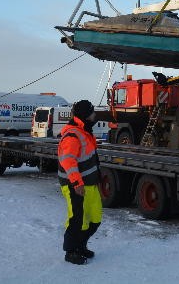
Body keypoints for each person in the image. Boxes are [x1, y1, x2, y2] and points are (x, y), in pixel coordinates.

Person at [58, 100, 102, 265]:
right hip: (74, 185)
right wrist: (77, 184)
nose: (94, 115)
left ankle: (81, 246)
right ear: (85, 115)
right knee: (77, 220)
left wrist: (96, 179)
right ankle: (71, 251)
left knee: (95, 218)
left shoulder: (84, 131)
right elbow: (68, 161)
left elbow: (90, 159)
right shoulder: (72, 135)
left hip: (89, 184)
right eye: (92, 112)